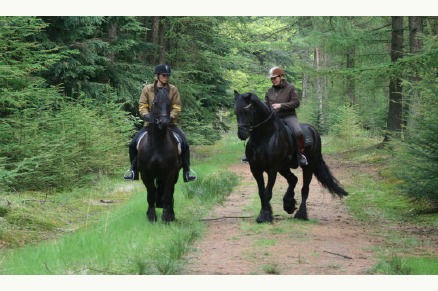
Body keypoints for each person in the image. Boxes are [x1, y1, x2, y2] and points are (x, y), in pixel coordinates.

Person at [124, 64, 197, 182]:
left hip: (170, 125)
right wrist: (146, 115)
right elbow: (142, 105)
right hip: (150, 125)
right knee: (133, 144)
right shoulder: (147, 89)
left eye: (168, 76)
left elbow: (177, 106)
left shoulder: (173, 89)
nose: (166, 77)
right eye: (164, 75)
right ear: (158, 76)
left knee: (184, 144)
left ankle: (187, 171)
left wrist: (170, 117)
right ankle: (133, 171)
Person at [242, 66, 308, 167]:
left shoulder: (290, 88)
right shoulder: (269, 91)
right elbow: (267, 105)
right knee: (256, 129)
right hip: (273, 117)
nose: (273, 80)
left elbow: (296, 102)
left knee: (298, 131)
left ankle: (300, 154)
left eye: (275, 78)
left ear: (281, 76)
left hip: (288, 116)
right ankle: (250, 153)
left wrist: (281, 105)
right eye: (272, 79)